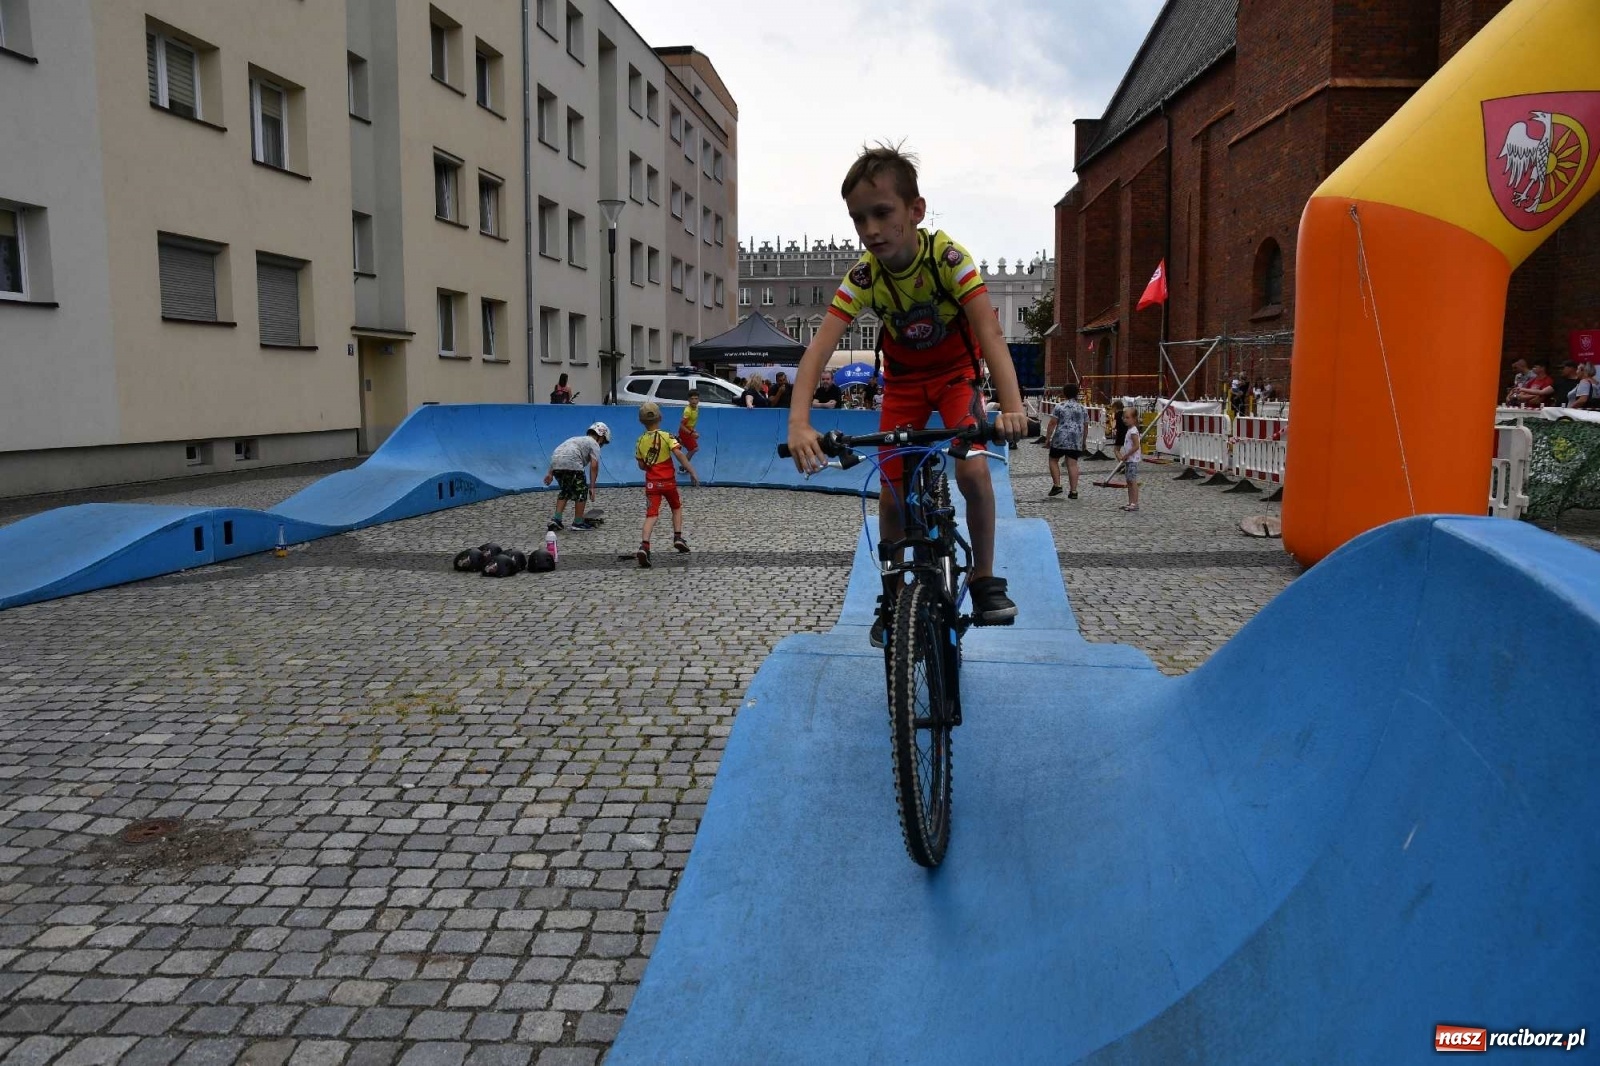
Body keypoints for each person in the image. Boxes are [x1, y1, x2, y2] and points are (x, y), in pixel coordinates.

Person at [785, 143, 1027, 644]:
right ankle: (894, 592)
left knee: (974, 469)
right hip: (902, 384)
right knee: (891, 487)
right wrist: (798, 424)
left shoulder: (949, 259)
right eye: (858, 219)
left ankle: (984, 577)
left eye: (882, 213)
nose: (870, 230)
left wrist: (1013, 408)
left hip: (956, 375)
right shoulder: (864, 277)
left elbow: (990, 334)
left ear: (915, 211)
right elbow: (817, 350)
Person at [633, 402, 699, 567]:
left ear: (641, 421)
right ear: (660, 417)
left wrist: (649, 463)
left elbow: (641, 465)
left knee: (651, 515)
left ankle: (645, 546)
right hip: (668, 482)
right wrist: (691, 471)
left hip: (651, 485)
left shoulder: (640, 440)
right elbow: (679, 454)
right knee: (676, 507)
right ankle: (677, 537)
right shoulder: (667, 436)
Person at [543, 421, 608, 531]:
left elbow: (561, 454)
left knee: (565, 490)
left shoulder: (576, 439)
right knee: (581, 491)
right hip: (572, 464)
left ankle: (557, 519)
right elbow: (594, 465)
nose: (602, 445)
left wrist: (550, 473)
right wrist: (592, 487)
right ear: (601, 437)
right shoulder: (594, 443)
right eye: (603, 442)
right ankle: (578, 522)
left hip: (556, 462)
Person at [1043, 383, 1087, 499]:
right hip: (1075, 439)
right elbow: (1086, 426)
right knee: (1072, 464)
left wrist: (1048, 438)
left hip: (1060, 438)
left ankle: (1057, 485)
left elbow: (1052, 423)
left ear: (1064, 393)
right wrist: (1083, 441)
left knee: (1053, 460)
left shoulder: (1060, 406)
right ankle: (1073, 491)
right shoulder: (1082, 408)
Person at [1117, 406, 1142, 512]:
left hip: (1132, 460)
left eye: (1127, 418)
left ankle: (1135, 503)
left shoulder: (1133, 431)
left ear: (1134, 419)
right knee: (1129, 481)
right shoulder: (1129, 430)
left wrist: (1127, 455)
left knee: (1132, 481)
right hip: (1129, 460)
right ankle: (1130, 501)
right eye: (1124, 417)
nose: (1125, 420)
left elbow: (1136, 445)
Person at [676, 389, 702, 471]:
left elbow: (691, 422)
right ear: (689, 400)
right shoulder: (688, 411)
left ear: (699, 400)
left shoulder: (696, 408)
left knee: (690, 446)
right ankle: (683, 467)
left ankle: (678, 441)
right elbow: (682, 426)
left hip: (689, 430)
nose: (694, 401)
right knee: (694, 449)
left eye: (696, 398)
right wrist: (691, 433)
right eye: (692, 399)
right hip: (685, 432)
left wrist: (693, 430)